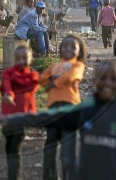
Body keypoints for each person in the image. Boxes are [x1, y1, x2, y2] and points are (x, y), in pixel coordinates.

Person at [38, 34, 87, 180]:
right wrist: (47, 81)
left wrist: (53, 82)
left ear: (79, 51)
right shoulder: (54, 67)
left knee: (67, 154)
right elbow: (41, 78)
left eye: (73, 46)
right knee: (49, 151)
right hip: (52, 110)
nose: (68, 48)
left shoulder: (78, 66)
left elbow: (71, 77)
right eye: (65, 45)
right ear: (59, 49)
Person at [0, 46, 39, 180]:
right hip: (7, 116)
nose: (21, 61)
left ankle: (14, 176)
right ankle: (13, 173)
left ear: (31, 59)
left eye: (24, 58)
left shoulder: (32, 76)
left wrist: (12, 91)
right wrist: (9, 92)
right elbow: (6, 84)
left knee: (15, 149)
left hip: (21, 119)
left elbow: (31, 85)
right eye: (17, 59)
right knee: (8, 147)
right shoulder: (8, 73)